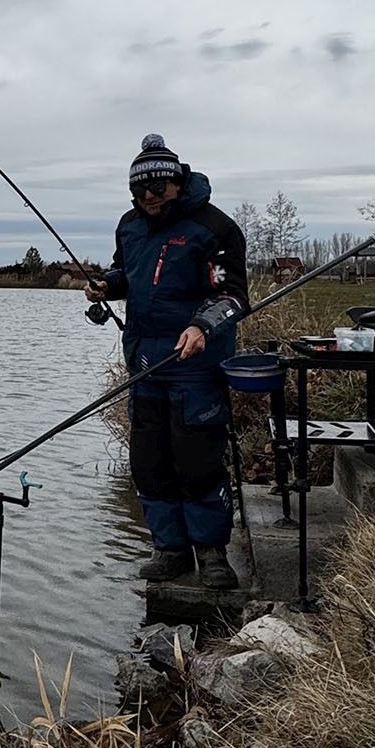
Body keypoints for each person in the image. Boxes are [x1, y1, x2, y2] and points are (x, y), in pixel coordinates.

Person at [86, 135, 249, 589]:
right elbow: (128, 275)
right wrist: (106, 286)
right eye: (140, 190)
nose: (149, 197)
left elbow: (233, 295)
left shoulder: (214, 227)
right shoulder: (130, 226)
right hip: (143, 362)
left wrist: (201, 326)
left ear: (177, 181)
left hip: (197, 360)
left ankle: (212, 553)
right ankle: (170, 549)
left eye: (158, 187)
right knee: (149, 461)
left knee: (196, 459)